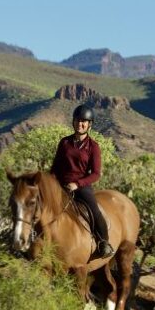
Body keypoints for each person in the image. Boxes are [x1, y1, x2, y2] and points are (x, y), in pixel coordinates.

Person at [51, 104, 114, 258]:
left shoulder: (93, 147)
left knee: (94, 210)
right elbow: (55, 167)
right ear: (73, 122)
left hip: (81, 187)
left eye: (84, 121)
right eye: (78, 120)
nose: (80, 124)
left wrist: (77, 184)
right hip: (61, 185)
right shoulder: (64, 143)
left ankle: (104, 243)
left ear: (89, 124)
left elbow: (96, 174)